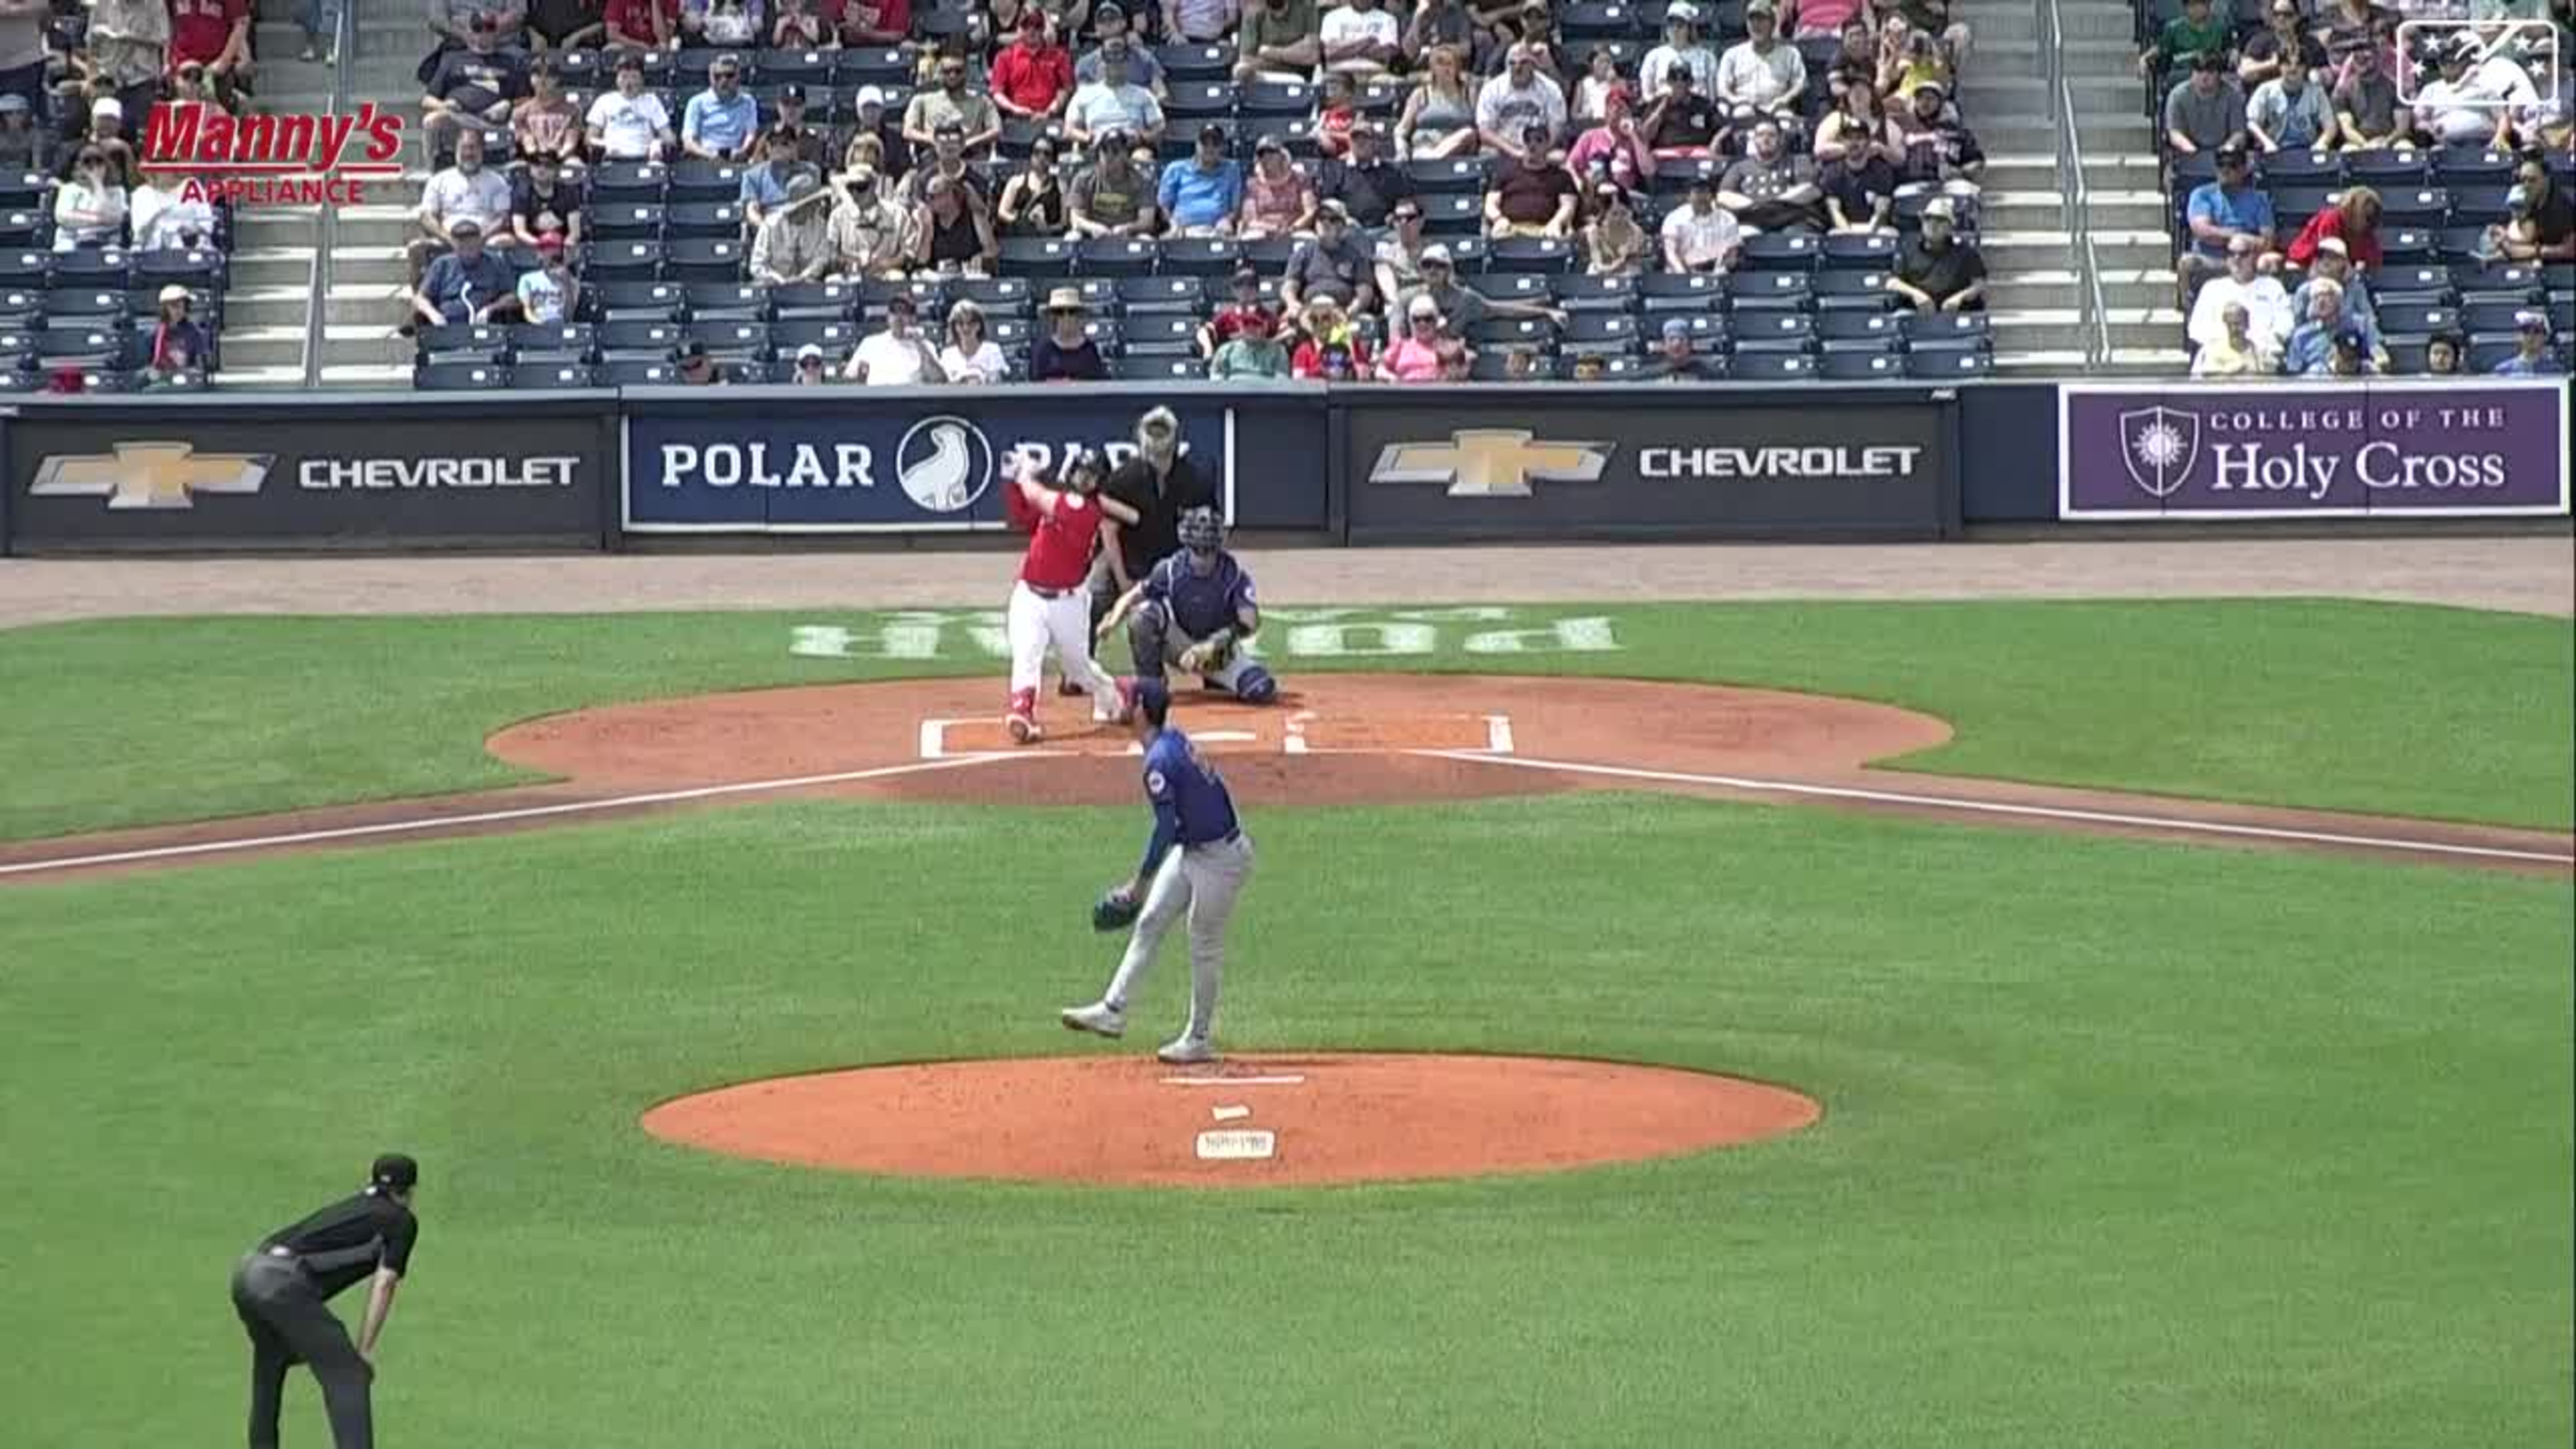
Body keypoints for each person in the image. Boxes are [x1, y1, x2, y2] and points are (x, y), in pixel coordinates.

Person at [1058, 674, 1256, 1066]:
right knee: (1150, 921)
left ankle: (1198, 1038)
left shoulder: (1160, 760)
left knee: (1203, 942)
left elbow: (1165, 828)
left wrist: (1140, 882)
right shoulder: (1172, 741)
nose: (1121, 704)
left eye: (1128, 700)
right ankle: (1113, 1010)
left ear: (1142, 712)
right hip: (1196, 850)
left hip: (1221, 859)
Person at [231, 1154, 422, 1449]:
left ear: (371, 1181)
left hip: (247, 1272)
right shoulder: (401, 1221)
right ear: (409, 1191)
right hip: (279, 1283)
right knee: (350, 1375)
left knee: (272, 1359)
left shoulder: (358, 1208)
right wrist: (365, 1350)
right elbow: (384, 1284)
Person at [998, 447, 1140, 742]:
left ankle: (1115, 694)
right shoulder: (1065, 502)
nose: (1084, 480)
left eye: (1091, 476)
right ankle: (1023, 712)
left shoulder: (1085, 512)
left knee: (1078, 669)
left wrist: (1025, 473)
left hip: (1069, 602)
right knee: (1027, 654)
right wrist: (1010, 480)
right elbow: (1024, 516)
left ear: (1099, 482)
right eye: (1081, 473)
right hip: (1030, 595)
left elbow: (1036, 495)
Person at [1097, 505, 1278, 708]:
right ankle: (1153, 684)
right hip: (1181, 644)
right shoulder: (1171, 569)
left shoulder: (1233, 574)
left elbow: (1250, 623)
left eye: (1208, 535)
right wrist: (1112, 619)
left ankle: (1216, 679)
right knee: (1144, 614)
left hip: (1218, 650)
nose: (1203, 553)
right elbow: (1133, 596)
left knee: (1260, 688)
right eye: (1199, 535)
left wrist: (1212, 645)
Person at [1093, 404, 1218, 634]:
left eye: (1163, 431)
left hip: (1174, 567)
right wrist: (1124, 583)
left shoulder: (1196, 481)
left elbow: (1209, 539)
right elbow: (1109, 533)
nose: (1157, 438)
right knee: (1095, 591)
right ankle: (1082, 663)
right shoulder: (1123, 480)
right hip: (1129, 562)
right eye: (1152, 431)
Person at [421, 17, 528, 161]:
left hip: (494, 121)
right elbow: (427, 100)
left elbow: (526, 100)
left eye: (489, 28)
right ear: (470, 32)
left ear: (496, 32)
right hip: (460, 118)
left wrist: (508, 105)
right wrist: (444, 105)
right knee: (431, 120)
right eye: (478, 28)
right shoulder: (452, 59)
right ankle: (434, 169)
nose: (483, 33)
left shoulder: (511, 62)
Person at [2178, 145, 2274, 299]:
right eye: (2221, 164)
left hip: (2246, 260)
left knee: (2269, 261)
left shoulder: (2259, 200)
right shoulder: (2202, 194)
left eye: (2233, 165)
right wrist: (2239, 237)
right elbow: (2203, 232)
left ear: (2244, 170)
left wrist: (2233, 242)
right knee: (2187, 262)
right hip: (2212, 260)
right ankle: (2191, 311)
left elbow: (2267, 241)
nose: (2226, 170)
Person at [2186, 233, 2296, 352]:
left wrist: (2264, 342)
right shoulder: (2212, 288)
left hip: (2263, 353)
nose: (2237, 259)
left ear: (2255, 256)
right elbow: (2196, 329)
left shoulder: (2273, 286)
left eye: (2243, 254)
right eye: (2231, 254)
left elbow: (2286, 323)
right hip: (2221, 356)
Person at [1716, 117, 1824, 232]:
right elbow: (1723, 196)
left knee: (1794, 235)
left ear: (1781, 139)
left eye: (1772, 135)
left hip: (1793, 219)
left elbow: (1811, 190)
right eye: (1761, 135)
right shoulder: (1739, 167)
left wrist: (1771, 203)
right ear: (1754, 140)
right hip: (1752, 220)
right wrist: (1754, 205)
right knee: (1744, 235)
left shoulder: (1799, 161)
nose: (1766, 139)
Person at [409, 218, 519, 326]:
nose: (467, 253)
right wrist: (433, 314)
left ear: (480, 243)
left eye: (472, 248)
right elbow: (420, 298)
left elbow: (513, 297)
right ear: (454, 245)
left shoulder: (495, 263)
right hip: (448, 325)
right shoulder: (442, 264)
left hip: (484, 325)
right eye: (462, 249)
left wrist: (491, 309)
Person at [1716, 0, 1807, 130]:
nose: (1756, 25)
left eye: (1762, 20)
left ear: (1773, 23)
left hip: (1776, 107)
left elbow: (1801, 83)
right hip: (1743, 107)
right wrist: (1735, 100)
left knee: (1787, 125)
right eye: (1752, 21)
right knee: (1741, 116)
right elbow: (1722, 88)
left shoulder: (1790, 54)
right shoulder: (1732, 54)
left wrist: (1785, 99)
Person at [1888, 195, 1986, 311]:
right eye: (1928, 219)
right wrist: (1916, 295)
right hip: (1916, 309)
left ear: (1950, 227)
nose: (1933, 224)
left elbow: (1979, 284)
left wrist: (1959, 298)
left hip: (1955, 310)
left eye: (1940, 220)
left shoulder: (1965, 251)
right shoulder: (1908, 248)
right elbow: (1893, 283)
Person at [905, 47, 1004, 160]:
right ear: (940, 74)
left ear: (966, 73)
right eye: (947, 71)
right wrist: (934, 140)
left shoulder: (982, 101)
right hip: (934, 157)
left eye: (958, 71)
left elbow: (997, 130)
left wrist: (969, 142)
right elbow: (908, 131)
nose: (953, 76)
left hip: (971, 156)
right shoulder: (922, 100)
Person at [1280, 199, 1377, 313]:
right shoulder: (1304, 253)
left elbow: (1365, 291)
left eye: (1333, 219)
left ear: (1343, 226)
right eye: (1321, 218)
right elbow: (1290, 285)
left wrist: (1355, 308)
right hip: (1309, 311)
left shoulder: (1356, 256)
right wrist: (1292, 303)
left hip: (1343, 312)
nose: (1326, 223)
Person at [1484, 121, 1579, 237]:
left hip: (1545, 229)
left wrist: (1557, 222)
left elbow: (1568, 206)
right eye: (1527, 140)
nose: (1532, 145)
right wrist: (1498, 219)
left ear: (1547, 145)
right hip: (1511, 227)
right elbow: (1490, 203)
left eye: (1539, 140)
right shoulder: (1505, 172)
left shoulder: (1562, 176)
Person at [1477, 42, 1568, 161]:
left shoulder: (1551, 88)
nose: (1518, 68)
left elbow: (1557, 128)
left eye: (1524, 63)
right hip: (1504, 149)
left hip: (1541, 147)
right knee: (1487, 153)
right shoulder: (1492, 89)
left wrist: (1538, 150)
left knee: (1560, 157)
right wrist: (1514, 152)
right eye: (1512, 63)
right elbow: (1485, 132)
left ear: (1533, 65)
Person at [1313, 121, 1408, 229]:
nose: (1360, 142)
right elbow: (1329, 204)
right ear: (1350, 143)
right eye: (1355, 139)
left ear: (1375, 142)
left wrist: (1395, 215)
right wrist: (1343, 220)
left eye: (1365, 138)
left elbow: (1403, 201)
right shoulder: (1336, 170)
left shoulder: (1392, 171)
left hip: (1384, 229)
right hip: (1347, 230)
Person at [1068, 130, 1160, 236]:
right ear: (1098, 154)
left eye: (1115, 151)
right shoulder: (1084, 178)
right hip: (1092, 235)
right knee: (1072, 237)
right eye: (1105, 151)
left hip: (1130, 236)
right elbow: (1076, 219)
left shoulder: (1142, 180)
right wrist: (1093, 227)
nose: (1109, 157)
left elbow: (1147, 222)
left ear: (1125, 155)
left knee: (1146, 240)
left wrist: (1128, 228)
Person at [1160, 123, 1247, 235]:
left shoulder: (1232, 170)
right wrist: (1172, 222)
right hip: (1182, 230)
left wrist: (1228, 220)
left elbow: (1236, 208)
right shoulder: (1176, 169)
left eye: (1215, 143)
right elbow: (1164, 205)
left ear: (1223, 147)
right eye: (1205, 143)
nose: (1210, 148)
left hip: (1216, 231)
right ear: (1197, 145)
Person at [1398, 43, 1480, 160]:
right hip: (1424, 150)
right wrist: (1402, 150)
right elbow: (1402, 130)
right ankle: (1434, 159)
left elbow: (1481, 127)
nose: (1446, 69)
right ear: (1433, 68)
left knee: (1468, 133)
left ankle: (1435, 159)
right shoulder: (1421, 94)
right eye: (1441, 64)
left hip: (1460, 156)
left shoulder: (1469, 94)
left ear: (1457, 68)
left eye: (1450, 64)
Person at [992, 10, 1077, 121]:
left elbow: (1065, 89)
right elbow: (997, 93)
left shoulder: (1060, 56)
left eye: (1037, 25)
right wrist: (1014, 109)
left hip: (1050, 117)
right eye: (1026, 25)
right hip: (1016, 117)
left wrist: (1051, 111)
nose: (1032, 30)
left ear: (1044, 29)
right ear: (1019, 29)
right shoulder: (1005, 57)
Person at [586, 54, 674, 163]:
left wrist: (657, 143)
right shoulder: (604, 101)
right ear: (617, 79)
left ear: (642, 79)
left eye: (634, 77)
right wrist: (606, 144)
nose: (629, 83)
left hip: (645, 158)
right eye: (624, 77)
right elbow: (589, 139)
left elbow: (670, 138)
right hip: (613, 158)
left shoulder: (652, 101)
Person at [751, 172, 836, 282]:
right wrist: (779, 280)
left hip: (807, 285)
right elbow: (757, 266)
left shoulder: (820, 225)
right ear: (803, 206)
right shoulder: (770, 226)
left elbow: (821, 259)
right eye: (814, 203)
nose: (818, 206)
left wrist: (803, 277)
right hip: (774, 286)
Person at [826, 166, 910, 277]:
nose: (855, 194)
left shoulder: (898, 214)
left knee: (898, 278)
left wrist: (886, 264)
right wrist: (850, 262)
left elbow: (907, 252)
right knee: (833, 281)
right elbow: (831, 252)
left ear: (874, 186)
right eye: (850, 188)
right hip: (850, 273)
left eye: (861, 187)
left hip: (886, 272)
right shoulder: (838, 215)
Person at [2249, 52, 2343, 151]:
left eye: (2298, 65)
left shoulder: (2317, 92)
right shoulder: (2265, 90)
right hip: (2275, 149)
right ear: (2280, 66)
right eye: (2288, 64)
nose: (2293, 69)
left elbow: (2331, 126)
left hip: (2309, 149)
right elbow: (2252, 123)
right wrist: (2267, 143)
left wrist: (2322, 143)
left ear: (2305, 68)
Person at [2164, 51, 2250, 158]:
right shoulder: (2178, 95)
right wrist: (2191, 150)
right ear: (2192, 73)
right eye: (2199, 71)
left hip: (2225, 155)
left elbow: (2239, 133)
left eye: (2210, 72)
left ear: (2219, 74)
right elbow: (2175, 133)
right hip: (2189, 152)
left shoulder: (2233, 96)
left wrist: (2227, 149)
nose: (2204, 77)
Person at [845, 293, 947, 382]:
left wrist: (920, 345)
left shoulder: (926, 346)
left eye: (904, 312)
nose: (898, 317)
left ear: (914, 318)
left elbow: (939, 380)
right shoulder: (870, 343)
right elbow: (849, 378)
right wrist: (860, 377)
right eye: (894, 311)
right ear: (888, 317)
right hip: (877, 400)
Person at [911, 173, 998, 276]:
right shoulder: (928, 219)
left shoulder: (973, 215)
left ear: (951, 194)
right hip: (938, 276)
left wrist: (980, 259)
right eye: (928, 197)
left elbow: (991, 250)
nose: (929, 201)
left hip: (968, 275)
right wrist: (927, 228)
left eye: (934, 196)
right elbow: (922, 260)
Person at [681, 54, 761, 163]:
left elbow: (751, 134)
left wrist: (743, 150)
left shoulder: (748, 102)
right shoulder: (696, 103)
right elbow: (689, 143)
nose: (724, 81)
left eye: (729, 75)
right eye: (717, 76)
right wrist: (711, 156)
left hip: (737, 157)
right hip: (705, 158)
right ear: (710, 78)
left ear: (739, 76)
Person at [2283, 185, 2380, 273]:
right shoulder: (2331, 219)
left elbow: (2373, 259)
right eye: (2364, 216)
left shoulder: (2366, 232)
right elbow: (2328, 254)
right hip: (2306, 266)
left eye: (2371, 217)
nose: (2367, 221)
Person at [1660, 173, 1741, 273]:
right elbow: (1671, 254)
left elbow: (1732, 254)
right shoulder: (1674, 218)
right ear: (1688, 197)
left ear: (1713, 196)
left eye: (1706, 192)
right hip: (1681, 271)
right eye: (1697, 192)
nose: (1702, 197)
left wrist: (1721, 271)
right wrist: (1682, 274)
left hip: (1717, 272)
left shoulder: (1728, 219)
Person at [51, 146, 128, 251]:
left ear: (107, 166)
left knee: (114, 253)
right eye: (88, 162)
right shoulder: (68, 189)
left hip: (107, 241)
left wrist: (97, 184)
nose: (94, 167)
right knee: (63, 249)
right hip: (72, 239)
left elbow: (115, 218)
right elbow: (62, 217)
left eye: (99, 162)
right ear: (80, 166)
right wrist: (99, 219)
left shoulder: (117, 191)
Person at [1641, 2, 1721, 102]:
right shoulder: (1653, 56)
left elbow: (1712, 97)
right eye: (1671, 25)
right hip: (1664, 109)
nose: (1675, 29)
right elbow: (1647, 95)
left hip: (1696, 109)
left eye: (1680, 25)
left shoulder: (1707, 57)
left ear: (1690, 29)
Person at [1241, 134, 1318, 237]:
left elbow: (1311, 212)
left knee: (1308, 239)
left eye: (1272, 152)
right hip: (1263, 231)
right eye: (1262, 154)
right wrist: (1274, 229)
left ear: (1282, 155)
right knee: (1251, 237)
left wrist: (1293, 228)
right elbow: (1250, 220)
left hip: (1295, 229)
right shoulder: (1252, 185)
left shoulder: (1300, 180)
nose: (1267, 157)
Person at [1031, 285, 1113, 380]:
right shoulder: (1043, 350)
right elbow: (1036, 386)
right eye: (1060, 312)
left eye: (1072, 312)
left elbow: (1097, 384)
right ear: (1053, 317)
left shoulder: (1090, 350)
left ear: (1078, 316)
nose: (1067, 318)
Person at [1234, 0, 1322, 83]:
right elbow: (1247, 61)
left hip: (1301, 80)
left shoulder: (1306, 5)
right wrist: (1295, 54)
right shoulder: (1253, 9)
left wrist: (1270, 53)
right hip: (1263, 78)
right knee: (1240, 71)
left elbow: (1312, 55)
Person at [998, 137, 1071, 235]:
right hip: (1019, 238)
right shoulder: (1016, 182)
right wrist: (1024, 222)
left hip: (1048, 240)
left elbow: (1064, 222)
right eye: (1037, 152)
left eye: (1047, 154)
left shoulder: (1061, 186)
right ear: (1031, 155)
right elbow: (1002, 212)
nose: (1042, 158)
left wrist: (1047, 228)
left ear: (1053, 158)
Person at [2139, 0, 2230, 79]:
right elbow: (2160, 48)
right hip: (2183, 72)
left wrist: (2234, 53)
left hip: (2212, 72)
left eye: (2201, 4)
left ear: (2209, 5)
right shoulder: (2174, 28)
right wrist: (2145, 58)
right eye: (2192, 5)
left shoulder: (2220, 28)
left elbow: (2230, 49)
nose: (2197, 9)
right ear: (2185, 7)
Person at [2190, 301, 2279, 375]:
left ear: (2247, 324)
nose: (2234, 330)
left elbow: (2270, 375)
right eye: (2230, 325)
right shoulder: (2214, 351)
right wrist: (2232, 371)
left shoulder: (2257, 350)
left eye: (2238, 324)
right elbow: (2209, 379)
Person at [1377, 294, 1452, 380]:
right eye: (1417, 319)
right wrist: (1392, 378)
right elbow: (1380, 370)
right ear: (1411, 322)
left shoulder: (1446, 347)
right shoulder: (1401, 346)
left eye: (1428, 319)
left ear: (1435, 321)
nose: (1422, 323)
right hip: (1404, 391)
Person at [1584, 181, 1650, 275]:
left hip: (1627, 269)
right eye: (1615, 214)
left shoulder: (1636, 231)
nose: (1619, 218)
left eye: (1622, 213)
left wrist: (1613, 267)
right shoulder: (1593, 231)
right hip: (1600, 270)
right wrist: (1605, 269)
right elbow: (1597, 260)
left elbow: (1625, 259)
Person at [146, 285, 212, 380]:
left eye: (183, 306)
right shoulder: (155, 333)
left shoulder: (194, 332)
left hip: (187, 382)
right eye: (174, 306)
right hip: (161, 383)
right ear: (165, 309)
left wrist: (193, 373)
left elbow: (201, 365)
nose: (179, 310)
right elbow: (150, 365)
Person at [1321, 0, 1402, 75]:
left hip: (1376, 74)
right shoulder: (1332, 17)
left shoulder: (1388, 19)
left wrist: (1346, 49)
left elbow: (1387, 53)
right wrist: (1367, 42)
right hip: (1339, 74)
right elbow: (1330, 53)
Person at [515, 232, 581, 323]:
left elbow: (568, 317)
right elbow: (527, 310)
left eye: (554, 253)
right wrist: (540, 324)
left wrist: (567, 285)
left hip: (561, 329)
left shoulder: (572, 282)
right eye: (543, 250)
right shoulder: (527, 280)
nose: (547, 253)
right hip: (536, 327)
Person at [939, 298, 1010, 383]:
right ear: (955, 328)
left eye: (971, 323)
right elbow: (943, 384)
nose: (966, 328)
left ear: (979, 326)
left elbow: (999, 380)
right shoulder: (948, 355)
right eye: (961, 324)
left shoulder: (993, 351)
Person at [1208, 308, 1293, 378]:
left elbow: (1282, 380)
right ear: (1240, 327)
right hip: (1233, 395)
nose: (1251, 328)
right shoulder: (1226, 350)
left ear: (1265, 327)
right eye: (1246, 324)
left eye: (1256, 324)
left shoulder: (1278, 351)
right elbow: (1216, 377)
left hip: (1267, 395)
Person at [1648, 317, 1721, 380]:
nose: (1676, 344)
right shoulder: (1653, 375)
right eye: (1671, 339)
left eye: (1681, 339)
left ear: (1690, 345)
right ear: (1664, 346)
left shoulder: (1708, 374)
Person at [2491, 310, 2557, 374]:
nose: (2531, 337)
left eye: (2537, 332)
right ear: (2518, 336)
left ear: (2545, 337)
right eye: (2526, 332)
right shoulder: (2503, 371)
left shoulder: (2555, 371)